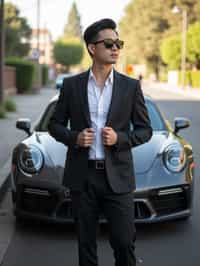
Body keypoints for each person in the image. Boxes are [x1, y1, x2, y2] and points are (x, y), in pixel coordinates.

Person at [48, 18, 152, 266]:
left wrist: (120, 138)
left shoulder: (130, 86)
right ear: (92, 48)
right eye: (109, 43)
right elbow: (54, 125)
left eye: (118, 43)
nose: (115, 48)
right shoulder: (71, 86)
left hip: (118, 177)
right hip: (83, 178)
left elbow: (145, 130)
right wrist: (75, 137)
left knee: (125, 242)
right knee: (86, 245)